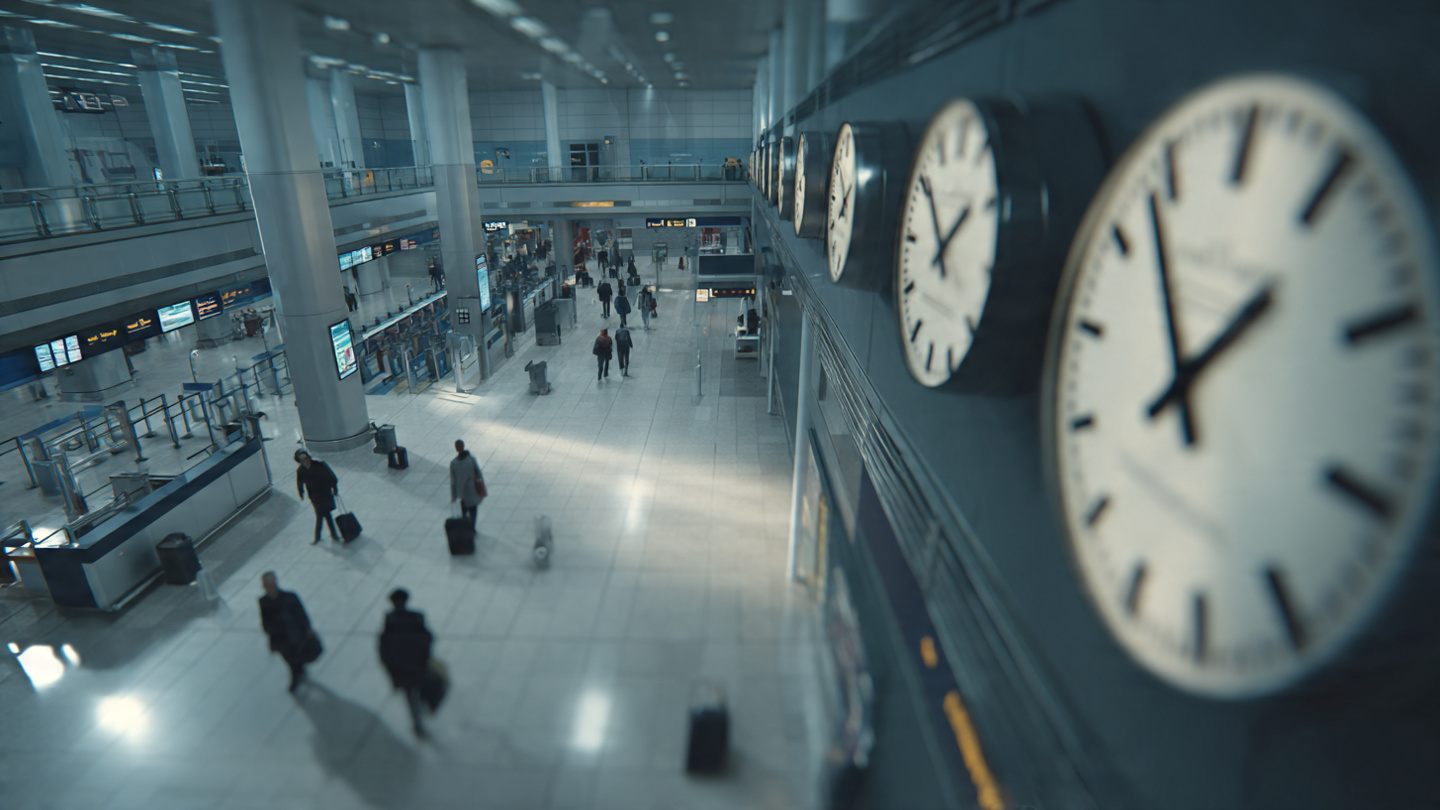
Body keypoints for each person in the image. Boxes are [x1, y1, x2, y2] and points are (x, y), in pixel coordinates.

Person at [379, 588, 433, 738]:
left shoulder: (390, 619)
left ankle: (418, 721)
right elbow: (427, 638)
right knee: (416, 692)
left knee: (411, 695)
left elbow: (384, 644)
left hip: (402, 665)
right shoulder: (416, 617)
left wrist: (388, 663)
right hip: (414, 664)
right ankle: (419, 719)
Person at [259, 572, 318, 693]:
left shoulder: (290, 597)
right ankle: (297, 672)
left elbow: (301, 614)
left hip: (295, 635)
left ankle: (298, 673)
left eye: (273, 582)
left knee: (297, 657)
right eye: (268, 584)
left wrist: (307, 628)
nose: (272, 586)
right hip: (280, 639)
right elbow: (265, 620)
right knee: (290, 660)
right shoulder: (263, 602)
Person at [295, 449, 340, 544]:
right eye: (303, 460)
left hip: (325, 493)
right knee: (325, 515)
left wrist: (335, 489)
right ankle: (332, 535)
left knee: (322, 515)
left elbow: (331, 476)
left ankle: (319, 537)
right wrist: (301, 493)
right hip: (314, 496)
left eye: (306, 459)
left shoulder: (319, 464)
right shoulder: (301, 470)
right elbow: (300, 482)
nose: (305, 462)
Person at [449, 440, 485, 530]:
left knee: (464, 511)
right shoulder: (471, 459)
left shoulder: (454, 463)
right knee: (473, 510)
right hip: (472, 490)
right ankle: (473, 528)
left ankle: (466, 527)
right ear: (464, 446)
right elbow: (479, 474)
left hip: (463, 492)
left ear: (456, 449)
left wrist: (453, 495)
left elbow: (453, 481)